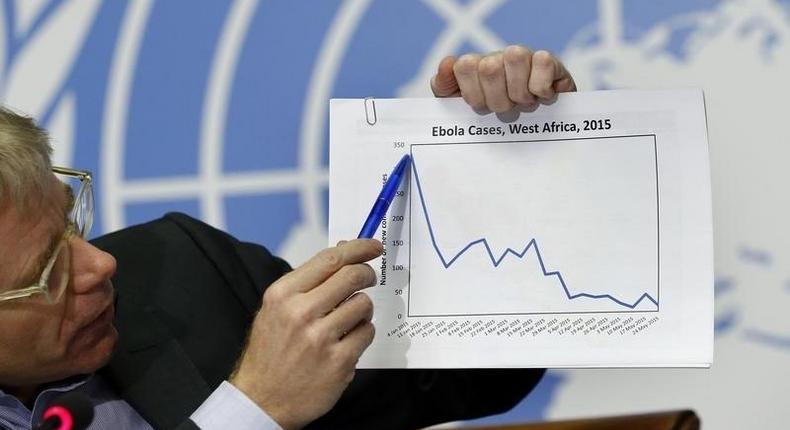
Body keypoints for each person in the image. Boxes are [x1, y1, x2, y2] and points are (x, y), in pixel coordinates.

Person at [0, 46, 576, 430]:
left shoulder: (179, 264)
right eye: (46, 273)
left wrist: (502, 159)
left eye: (71, 223)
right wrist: (254, 411)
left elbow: (454, 383)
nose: (101, 265)